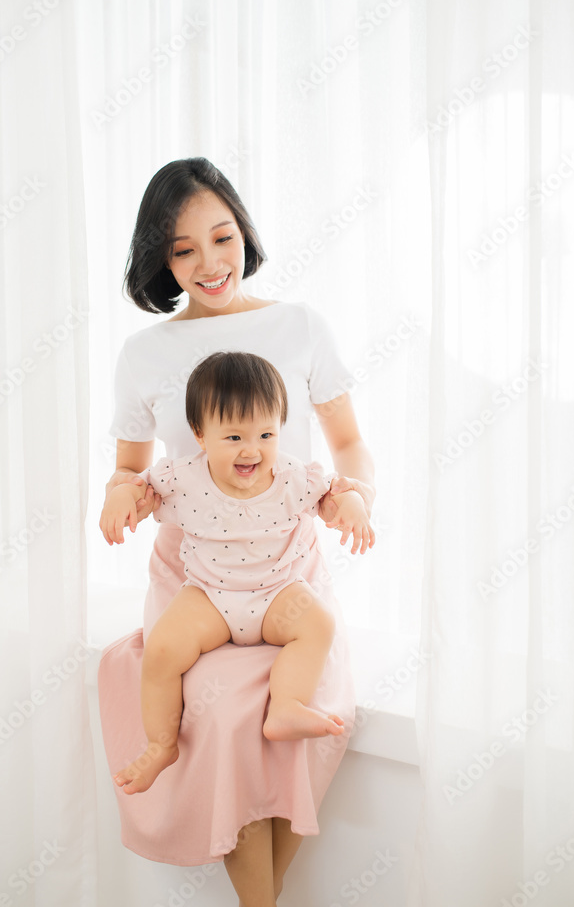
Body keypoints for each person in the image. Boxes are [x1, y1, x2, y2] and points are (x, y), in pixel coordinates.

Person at [97, 157, 376, 907]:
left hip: (288, 570)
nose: (209, 264)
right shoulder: (143, 353)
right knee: (220, 722)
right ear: (159, 259)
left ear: (243, 234)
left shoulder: (298, 325)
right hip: (195, 581)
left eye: (221, 238)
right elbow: (130, 473)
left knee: (299, 720)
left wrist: (356, 500)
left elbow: (346, 447)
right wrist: (115, 500)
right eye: (182, 250)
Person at [100, 351, 374, 795]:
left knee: (317, 622)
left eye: (266, 433)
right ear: (200, 435)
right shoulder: (181, 476)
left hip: (277, 593)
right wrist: (120, 501)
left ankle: (285, 705)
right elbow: (138, 489)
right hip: (210, 595)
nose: (252, 449)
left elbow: (334, 495)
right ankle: (161, 744)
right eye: (233, 437)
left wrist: (354, 507)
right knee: (162, 649)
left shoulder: (292, 476)